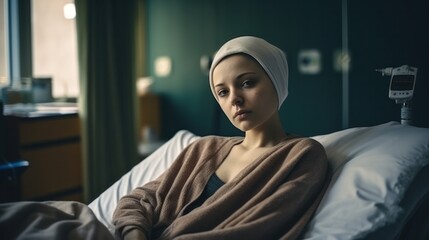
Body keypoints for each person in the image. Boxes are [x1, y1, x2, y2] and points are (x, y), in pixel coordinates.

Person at [112, 36, 331, 240]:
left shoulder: (302, 155)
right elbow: (138, 200)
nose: (234, 99)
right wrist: (134, 233)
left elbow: (262, 227)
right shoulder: (204, 148)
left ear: (277, 80)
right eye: (223, 92)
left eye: (247, 83)